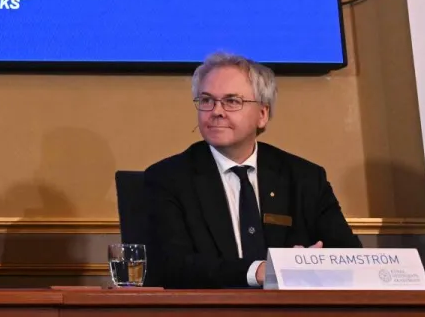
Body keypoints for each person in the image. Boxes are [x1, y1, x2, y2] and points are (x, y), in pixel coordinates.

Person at [143, 52, 359, 288]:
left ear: (262, 114)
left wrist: (316, 263)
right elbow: (172, 266)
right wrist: (258, 271)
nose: (216, 111)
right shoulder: (168, 178)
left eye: (232, 101)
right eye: (206, 100)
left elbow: (350, 256)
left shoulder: (305, 178)